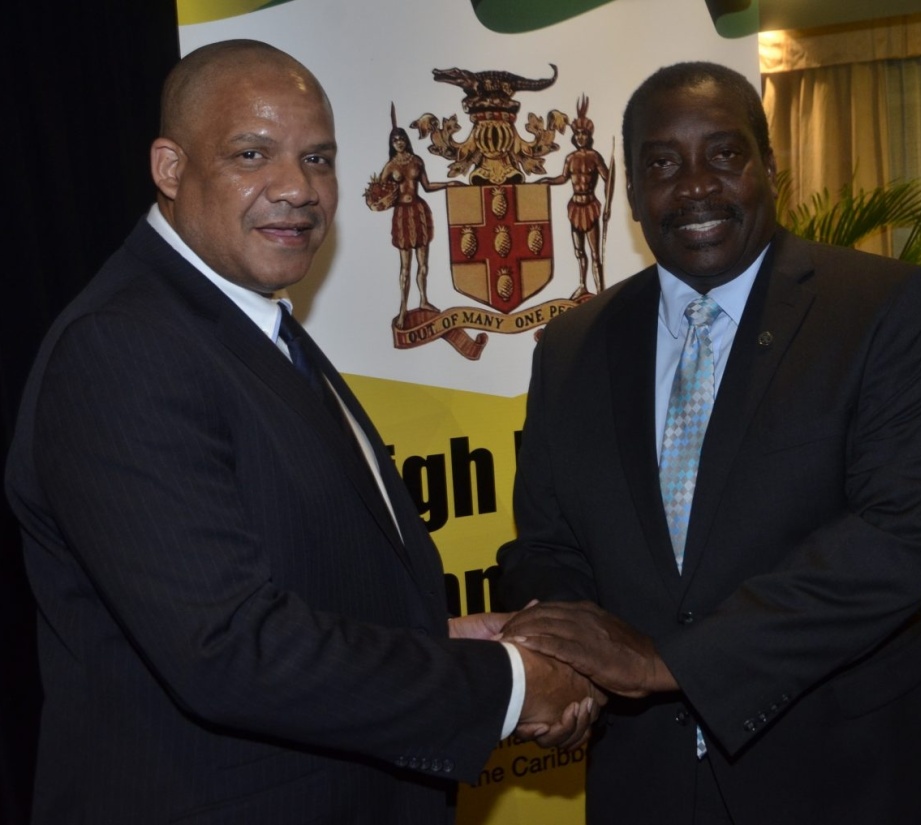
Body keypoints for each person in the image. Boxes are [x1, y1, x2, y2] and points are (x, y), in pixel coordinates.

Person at [4, 39, 599, 824]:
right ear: (170, 168)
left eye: (317, 158)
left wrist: (439, 638)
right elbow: (228, 649)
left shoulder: (246, 321)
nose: (297, 188)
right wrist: (511, 684)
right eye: (253, 153)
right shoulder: (123, 347)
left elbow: (284, 577)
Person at [496, 61, 921, 824]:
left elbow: (897, 538)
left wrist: (671, 664)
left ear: (769, 166)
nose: (694, 186)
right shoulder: (570, 346)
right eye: (662, 163)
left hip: (847, 773)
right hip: (646, 777)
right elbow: (548, 539)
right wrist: (568, 660)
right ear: (631, 193)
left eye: (724, 155)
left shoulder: (885, 308)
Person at [365, 108, 458, 329]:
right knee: (405, 267)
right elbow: (377, 193)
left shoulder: (417, 161)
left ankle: (424, 299)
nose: (399, 142)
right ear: (392, 143)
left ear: (406, 141)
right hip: (402, 214)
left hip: (418, 210)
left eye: (401, 138)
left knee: (423, 263)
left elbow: (426, 186)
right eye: (395, 140)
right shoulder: (390, 166)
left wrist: (448, 184)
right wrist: (378, 201)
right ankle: (403, 309)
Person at [538, 95, 612, 299]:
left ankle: (600, 288)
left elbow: (609, 179)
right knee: (579, 252)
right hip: (575, 207)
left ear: (589, 136)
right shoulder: (570, 158)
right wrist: (547, 181)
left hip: (590, 205)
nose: (581, 137)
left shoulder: (594, 157)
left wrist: (607, 206)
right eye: (578, 134)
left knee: (595, 254)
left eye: (584, 134)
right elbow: (563, 178)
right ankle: (582, 284)